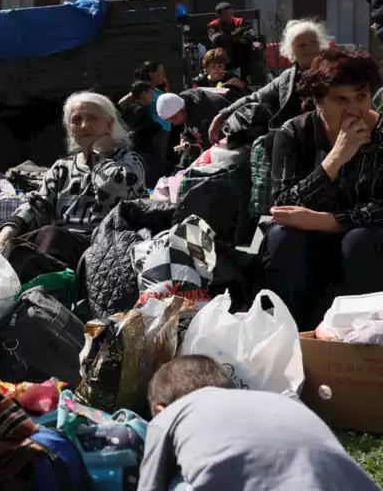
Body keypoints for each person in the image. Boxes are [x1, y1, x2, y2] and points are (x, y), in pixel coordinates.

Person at [263, 48, 383, 329]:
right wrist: (335, 159)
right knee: (283, 238)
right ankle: (292, 334)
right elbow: (282, 206)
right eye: (340, 100)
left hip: (363, 243)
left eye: (361, 97)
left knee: (361, 241)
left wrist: (330, 222)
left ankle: (361, 339)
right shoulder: (294, 134)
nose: (354, 110)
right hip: (308, 244)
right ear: (318, 102)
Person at [138, 355, 377, 491]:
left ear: (159, 410)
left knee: (177, 484)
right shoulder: (284, 405)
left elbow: (149, 486)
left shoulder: (171, 415)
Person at [0, 92, 145, 281]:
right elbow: (37, 203)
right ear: (69, 128)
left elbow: (109, 186)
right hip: (63, 247)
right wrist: (6, 233)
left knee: (51, 236)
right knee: (17, 246)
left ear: (109, 124)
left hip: (107, 244)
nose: (84, 125)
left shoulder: (129, 163)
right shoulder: (62, 168)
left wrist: (100, 154)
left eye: (92, 118)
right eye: (76, 120)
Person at [208, 18, 331, 143]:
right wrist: (222, 115)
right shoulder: (287, 78)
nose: (308, 48)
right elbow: (255, 97)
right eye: (302, 45)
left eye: (313, 42)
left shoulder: (333, 73)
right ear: (292, 51)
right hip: (292, 143)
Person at [155, 90, 231, 170]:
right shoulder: (181, 103)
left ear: (182, 108)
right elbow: (189, 125)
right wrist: (185, 137)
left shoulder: (205, 109)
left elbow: (210, 142)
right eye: (169, 120)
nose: (174, 123)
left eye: (174, 118)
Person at [120, 81, 164, 181]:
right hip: (144, 148)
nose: (153, 97)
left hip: (132, 147)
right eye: (151, 94)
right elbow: (150, 127)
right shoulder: (142, 110)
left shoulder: (128, 108)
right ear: (144, 94)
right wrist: (158, 126)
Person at [207, 1, 261, 81]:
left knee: (253, 48)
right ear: (219, 16)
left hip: (241, 51)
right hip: (223, 53)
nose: (230, 15)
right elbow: (217, 38)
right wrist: (235, 37)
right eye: (226, 14)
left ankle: (252, 78)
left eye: (231, 12)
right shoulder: (213, 25)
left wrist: (252, 41)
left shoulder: (239, 22)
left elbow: (249, 33)